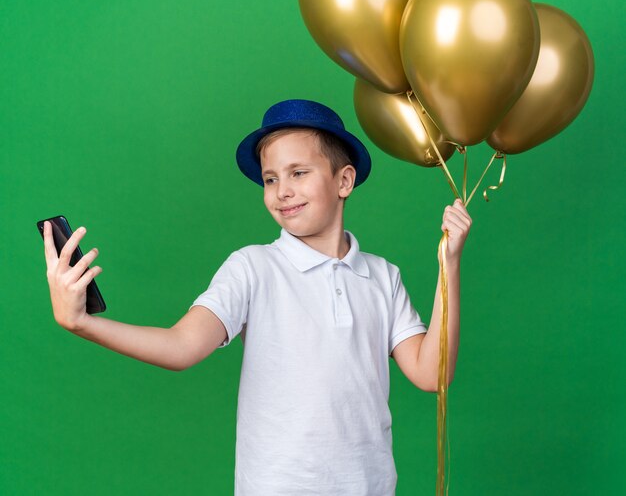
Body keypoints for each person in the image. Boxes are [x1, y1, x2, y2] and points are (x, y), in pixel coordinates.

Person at [42, 99, 472, 495]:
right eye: (271, 178)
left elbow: (430, 374)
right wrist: (83, 322)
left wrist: (448, 264)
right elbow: (182, 346)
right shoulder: (252, 268)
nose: (281, 191)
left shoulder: (382, 276)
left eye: (298, 173)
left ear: (344, 180)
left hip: (370, 486)